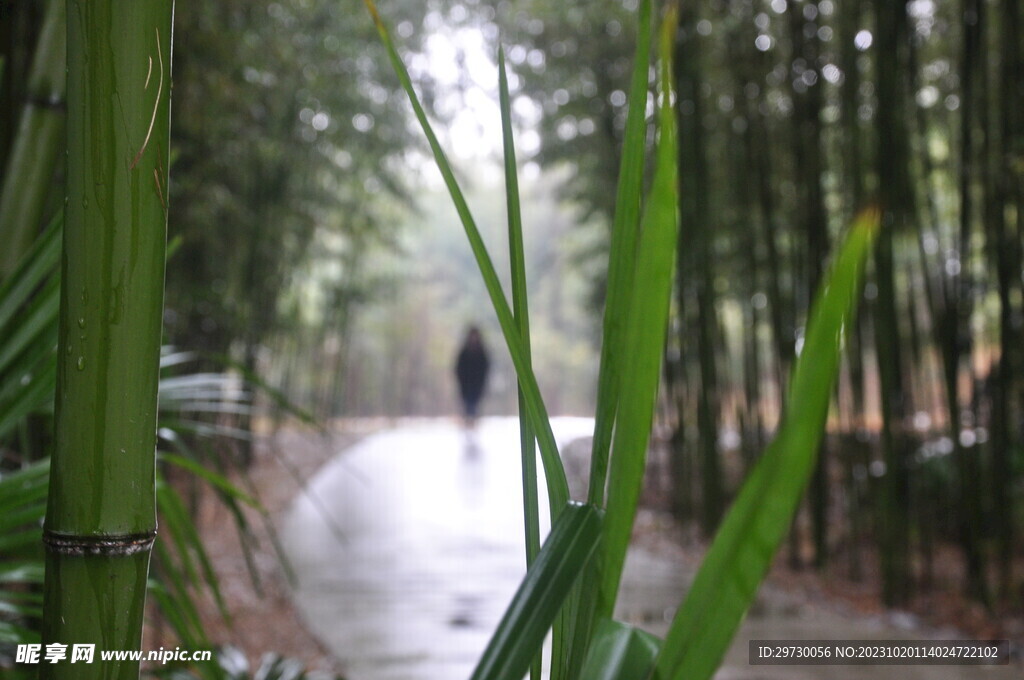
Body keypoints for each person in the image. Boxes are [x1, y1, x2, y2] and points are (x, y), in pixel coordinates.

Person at [455, 326, 489, 425]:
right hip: (466, 385)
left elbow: (485, 368)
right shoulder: (464, 352)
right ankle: (467, 422)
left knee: (475, 405)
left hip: (477, 385)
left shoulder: (482, 352)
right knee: (467, 405)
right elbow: (458, 368)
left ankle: (473, 422)